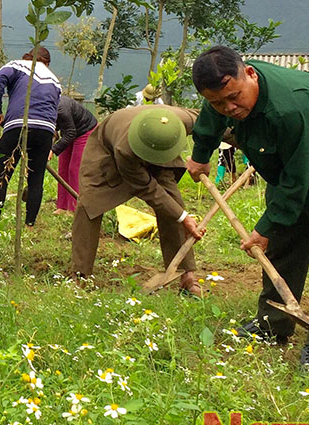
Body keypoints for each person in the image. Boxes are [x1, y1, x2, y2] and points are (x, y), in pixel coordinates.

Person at [187, 46, 309, 373]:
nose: (229, 108)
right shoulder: (223, 97)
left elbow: (296, 181)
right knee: (285, 242)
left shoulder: (291, 106)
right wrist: (201, 153)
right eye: (218, 102)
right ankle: (273, 324)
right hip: (292, 164)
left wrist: (265, 227)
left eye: (234, 97)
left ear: (251, 74)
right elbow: (210, 120)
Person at [69, 105, 207, 296]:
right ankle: (81, 275)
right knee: (89, 205)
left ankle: (186, 275)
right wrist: (184, 217)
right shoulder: (123, 150)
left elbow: (216, 126)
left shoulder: (182, 120)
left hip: (162, 148)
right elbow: (148, 188)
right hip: (108, 151)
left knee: (172, 202)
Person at [0, 48, 61, 227]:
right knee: (36, 179)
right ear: (47, 63)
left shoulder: (19, 65)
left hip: (18, 125)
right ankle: (30, 223)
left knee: (2, 174)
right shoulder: (55, 81)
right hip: (46, 130)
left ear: (27, 57)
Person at [52, 94, 98, 212]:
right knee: (63, 168)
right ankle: (62, 206)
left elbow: (71, 133)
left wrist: (53, 150)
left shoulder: (62, 108)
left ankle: (73, 207)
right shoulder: (44, 107)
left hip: (85, 131)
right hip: (68, 130)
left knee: (74, 169)